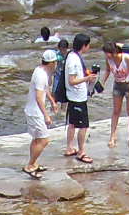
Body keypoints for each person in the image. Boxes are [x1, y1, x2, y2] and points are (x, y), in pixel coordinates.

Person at [62, 33, 95, 163]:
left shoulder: (72, 55)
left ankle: (69, 147)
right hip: (77, 98)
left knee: (72, 123)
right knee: (83, 126)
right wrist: (87, 79)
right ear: (84, 46)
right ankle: (81, 152)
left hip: (73, 96)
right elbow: (72, 80)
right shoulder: (74, 60)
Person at [23, 47, 57, 175]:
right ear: (52, 63)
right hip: (34, 112)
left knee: (37, 139)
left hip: (34, 111)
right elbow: (38, 97)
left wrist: (52, 101)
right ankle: (30, 165)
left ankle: (33, 163)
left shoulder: (40, 70)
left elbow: (45, 89)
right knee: (44, 140)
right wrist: (46, 115)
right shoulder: (41, 75)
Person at [104, 40, 129, 152]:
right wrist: (102, 82)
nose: (106, 55)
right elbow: (107, 71)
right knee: (116, 111)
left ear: (114, 52)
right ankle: (112, 135)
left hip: (128, 84)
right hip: (117, 85)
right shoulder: (108, 60)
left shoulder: (126, 58)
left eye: (108, 53)